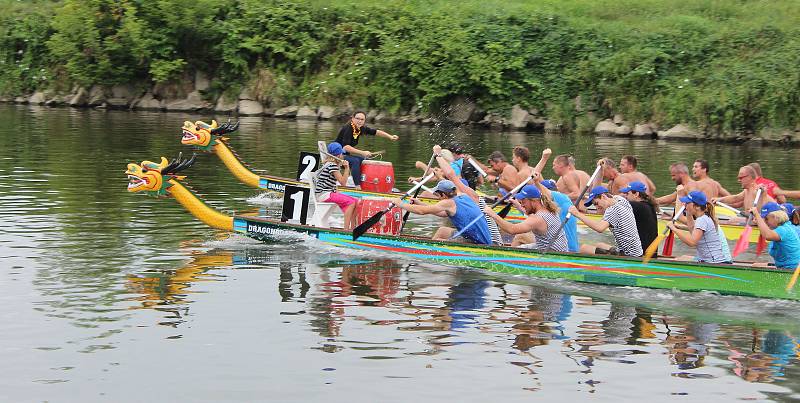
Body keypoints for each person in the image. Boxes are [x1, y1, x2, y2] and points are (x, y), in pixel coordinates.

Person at [392, 179, 492, 245]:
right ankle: (429, 250)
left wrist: (401, 204)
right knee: (442, 230)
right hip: (479, 236)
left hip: (478, 242)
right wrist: (420, 202)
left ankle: (430, 254)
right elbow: (442, 213)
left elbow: (422, 212)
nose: (437, 197)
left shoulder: (448, 203)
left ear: (443, 195)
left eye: (437, 194)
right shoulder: (464, 196)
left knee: (438, 241)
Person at [483, 178, 569, 251]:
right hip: (556, 249)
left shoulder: (537, 219)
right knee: (521, 237)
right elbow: (533, 217)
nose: (522, 204)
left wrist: (492, 214)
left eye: (523, 201)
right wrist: (518, 205)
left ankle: (510, 262)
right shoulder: (548, 208)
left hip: (551, 256)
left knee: (518, 240)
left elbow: (512, 229)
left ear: (534, 201)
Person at [568, 186, 643, 257]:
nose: (597, 207)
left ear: (603, 196)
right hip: (637, 251)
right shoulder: (620, 200)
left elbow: (599, 228)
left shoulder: (612, 210)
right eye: (594, 205)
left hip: (628, 255)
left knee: (584, 248)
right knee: (599, 245)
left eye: (596, 203)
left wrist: (577, 214)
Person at [334, 111, 399, 188]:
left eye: (362, 119)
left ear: (364, 120)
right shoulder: (348, 128)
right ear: (352, 119)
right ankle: (357, 186)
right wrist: (362, 152)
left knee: (363, 160)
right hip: (336, 156)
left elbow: (376, 132)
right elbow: (345, 147)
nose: (360, 121)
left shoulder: (360, 128)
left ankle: (365, 183)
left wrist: (390, 136)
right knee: (355, 161)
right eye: (357, 118)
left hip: (344, 155)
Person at [665, 191, 730, 264]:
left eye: (687, 203)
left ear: (697, 206)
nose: (684, 204)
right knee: (682, 258)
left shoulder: (702, 220)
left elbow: (692, 242)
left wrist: (674, 229)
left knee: (677, 261)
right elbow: (692, 228)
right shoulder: (705, 217)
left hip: (713, 262)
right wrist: (688, 213)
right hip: (708, 259)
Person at [314, 142, 359, 229]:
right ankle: (346, 230)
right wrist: (347, 168)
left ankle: (353, 228)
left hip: (327, 193)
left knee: (356, 201)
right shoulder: (332, 166)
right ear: (338, 156)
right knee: (351, 203)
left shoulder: (332, 165)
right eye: (342, 153)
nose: (343, 155)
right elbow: (343, 183)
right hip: (324, 195)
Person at [750, 202, 800, 269]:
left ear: (775, 217)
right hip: (781, 267)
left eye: (766, 219)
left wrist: (757, 215)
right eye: (764, 219)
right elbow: (766, 232)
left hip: (792, 269)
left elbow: (767, 235)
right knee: (754, 265)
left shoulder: (783, 230)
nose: (765, 222)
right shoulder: (779, 228)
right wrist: (759, 220)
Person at [619, 181, 659, 255]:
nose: (626, 196)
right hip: (650, 253)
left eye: (627, 194)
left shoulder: (637, 206)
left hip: (641, 254)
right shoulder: (649, 206)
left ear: (636, 194)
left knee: (600, 246)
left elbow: (617, 205)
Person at [541, 179, 579, 252]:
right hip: (573, 248)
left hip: (566, 250)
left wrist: (536, 182)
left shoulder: (557, 199)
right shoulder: (564, 199)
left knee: (521, 237)